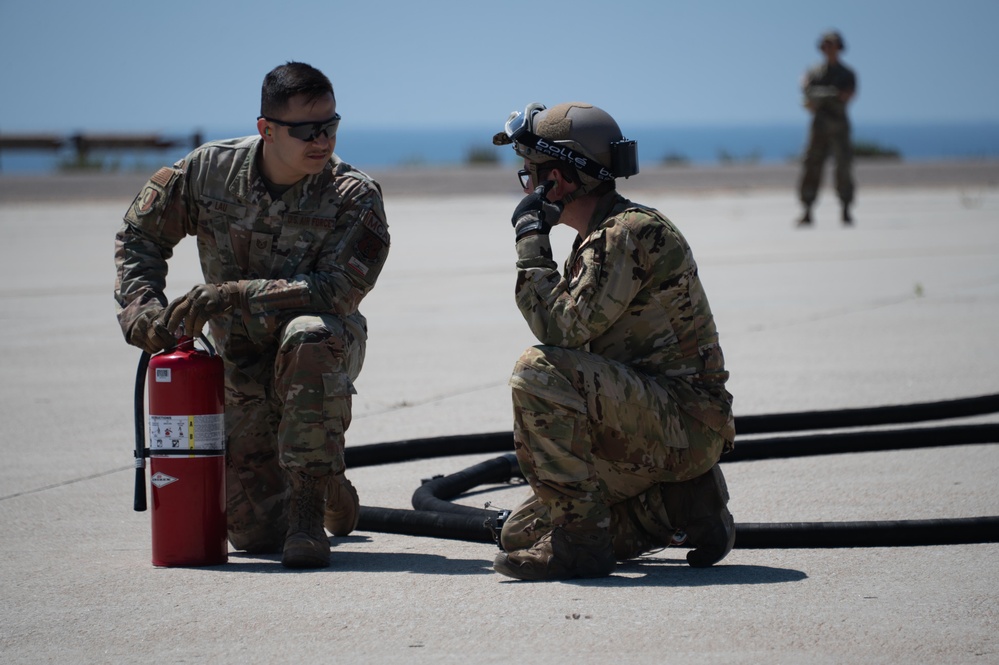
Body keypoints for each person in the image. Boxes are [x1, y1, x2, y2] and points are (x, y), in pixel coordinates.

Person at [114, 62, 390, 569]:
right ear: (266, 129)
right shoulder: (209, 172)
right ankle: (329, 484)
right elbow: (140, 236)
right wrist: (143, 311)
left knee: (307, 335)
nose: (322, 139)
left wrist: (234, 295)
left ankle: (309, 513)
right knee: (254, 535)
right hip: (238, 364)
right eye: (306, 129)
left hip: (325, 348)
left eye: (331, 124)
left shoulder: (353, 194)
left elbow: (338, 290)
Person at [490, 102, 736, 581]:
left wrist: (530, 240)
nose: (528, 186)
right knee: (518, 533)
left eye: (532, 175)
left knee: (537, 371)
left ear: (556, 181)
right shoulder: (601, 238)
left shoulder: (630, 234)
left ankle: (582, 545)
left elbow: (559, 331)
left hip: (683, 422)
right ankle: (680, 505)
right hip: (652, 422)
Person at [797, 30, 858, 226]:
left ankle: (846, 207)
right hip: (819, 126)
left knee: (843, 167)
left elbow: (846, 95)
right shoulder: (814, 72)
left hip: (839, 126)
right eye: (825, 45)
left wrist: (821, 95)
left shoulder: (847, 74)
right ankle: (807, 208)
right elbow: (806, 93)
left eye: (832, 44)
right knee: (811, 166)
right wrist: (829, 94)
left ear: (839, 47)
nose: (828, 48)